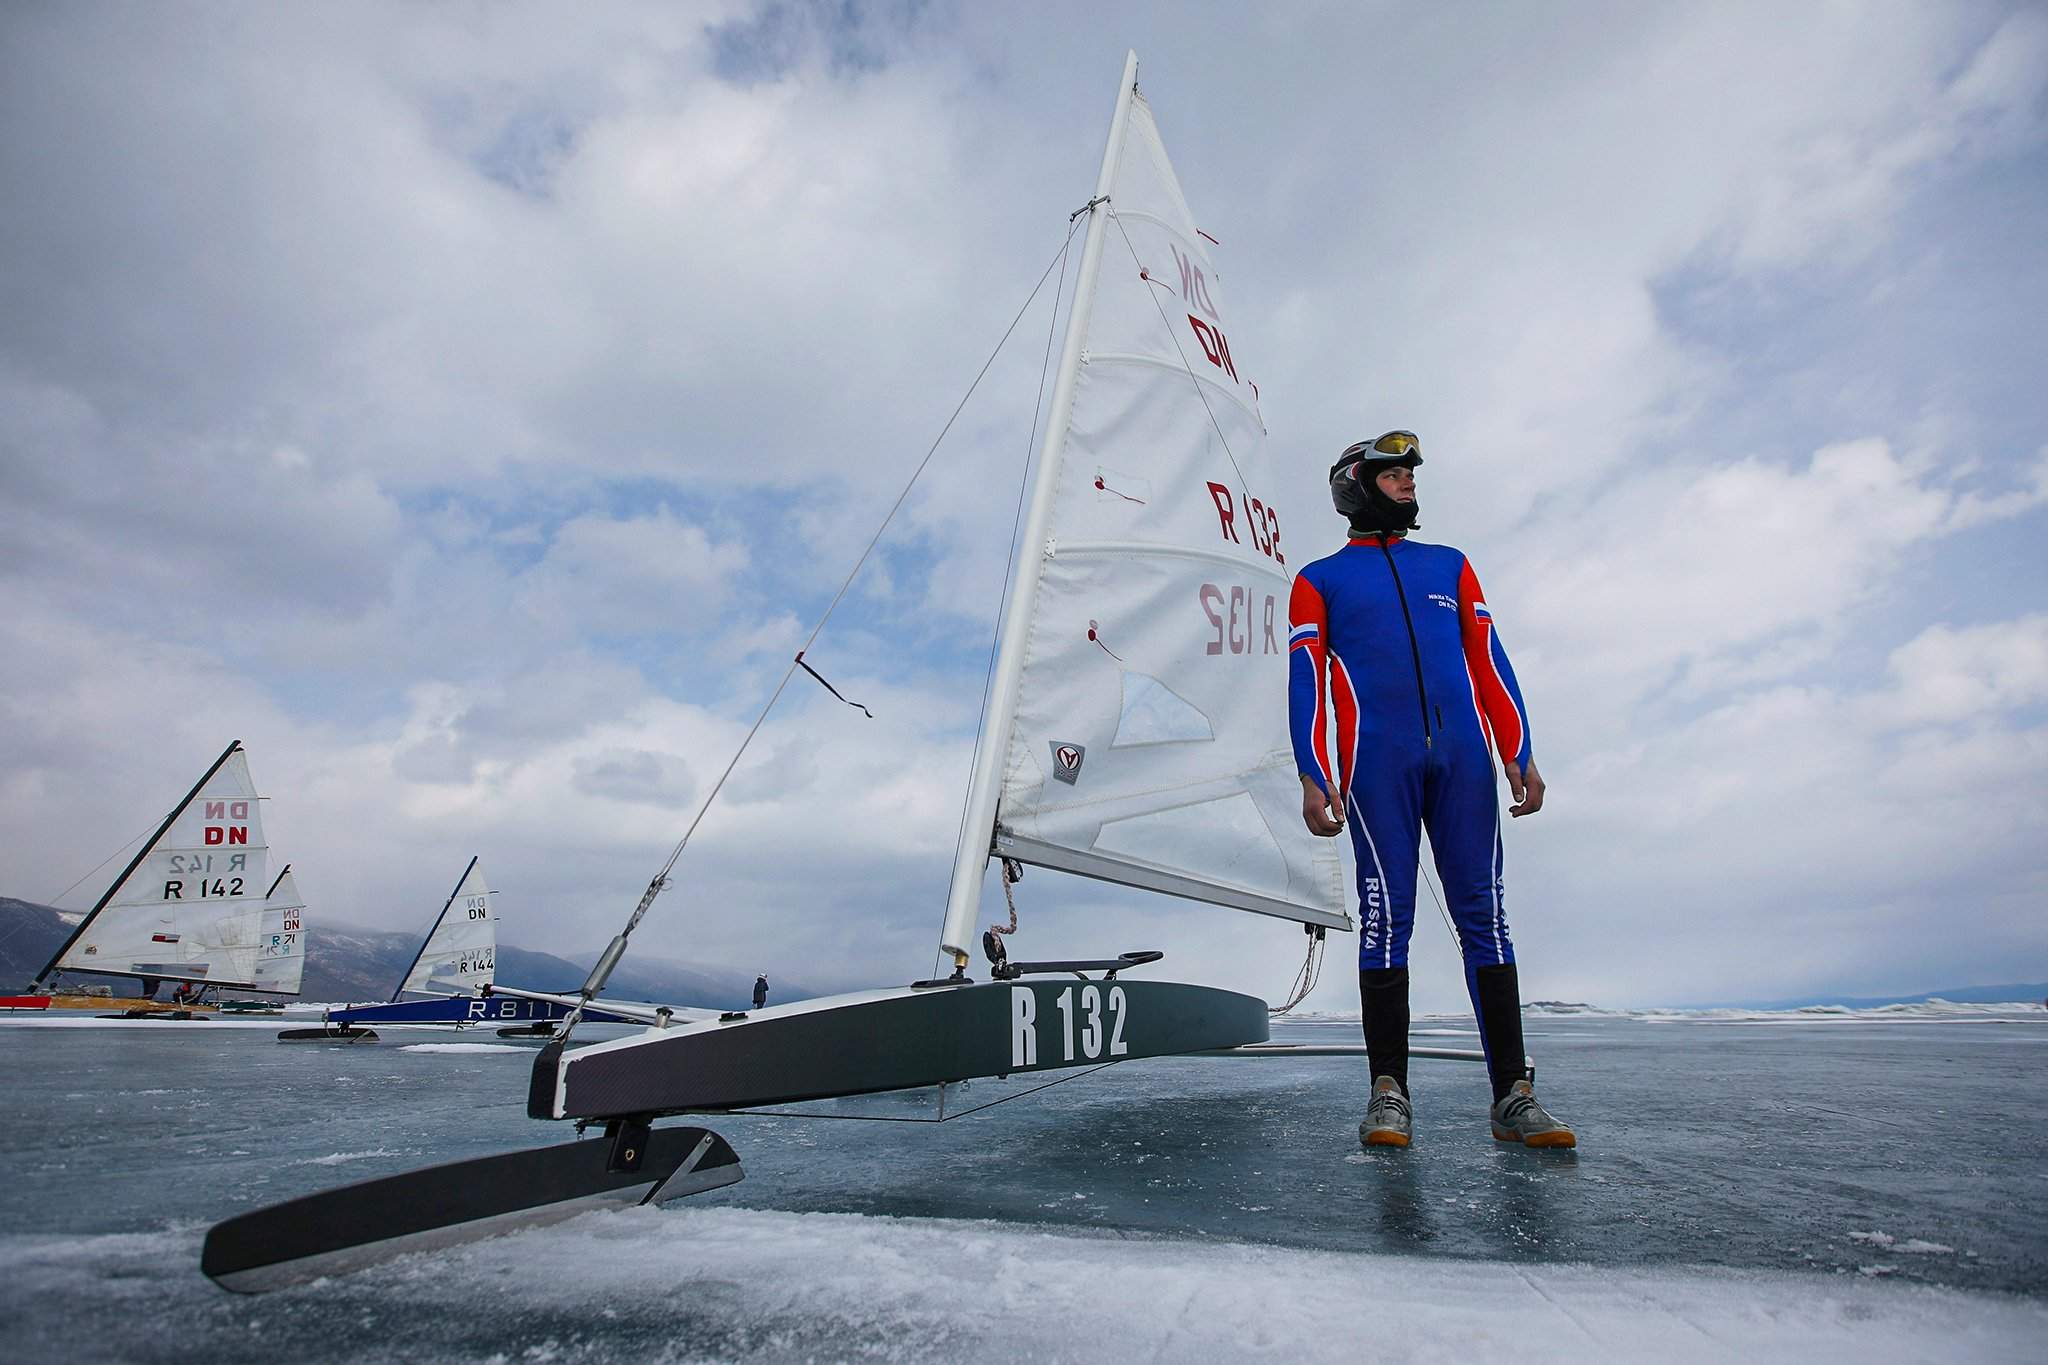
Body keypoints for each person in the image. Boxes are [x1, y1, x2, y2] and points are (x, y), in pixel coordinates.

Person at [1287, 430, 1574, 1150]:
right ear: (1357, 485)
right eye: (1393, 475)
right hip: (1376, 769)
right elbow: (1305, 685)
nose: (1410, 483)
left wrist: (1519, 750)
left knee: (1486, 916)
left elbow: (1490, 664)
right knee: (1388, 920)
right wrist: (1312, 771)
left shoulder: (1451, 565)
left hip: (1464, 766)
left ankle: (1513, 1093)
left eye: (1411, 474)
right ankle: (1389, 1091)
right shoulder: (1319, 580)